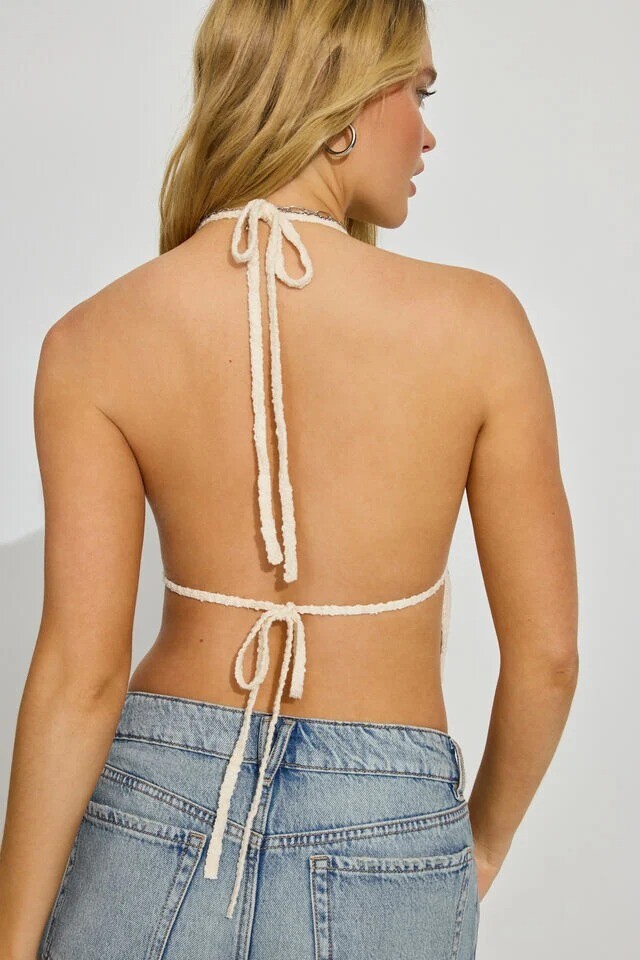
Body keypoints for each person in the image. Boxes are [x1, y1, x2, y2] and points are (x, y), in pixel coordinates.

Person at [0, 1, 579, 957]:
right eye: (419, 92)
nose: (427, 133)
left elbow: (79, 674)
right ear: (343, 97)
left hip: (152, 805)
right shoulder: (481, 326)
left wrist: (14, 941)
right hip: (390, 825)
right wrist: (474, 846)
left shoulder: (92, 340)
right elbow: (548, 657)